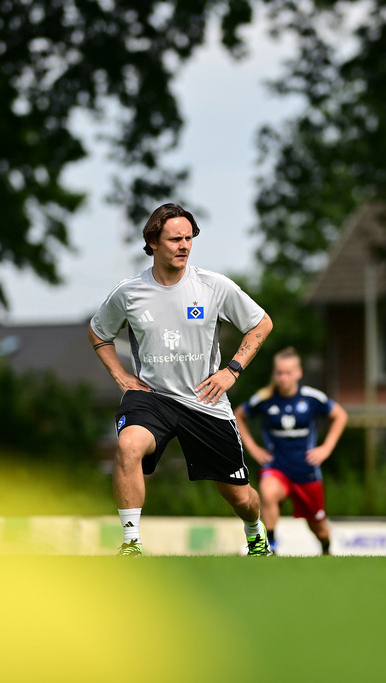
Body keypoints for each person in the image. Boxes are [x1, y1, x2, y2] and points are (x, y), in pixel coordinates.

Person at [89, 202, 274, 557]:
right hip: (152, 398)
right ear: (153, 242)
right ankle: (131, 543)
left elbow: (261, 323)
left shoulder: (213, 286)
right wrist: (120, 375)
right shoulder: (128, 292)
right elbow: (98, 333)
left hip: (204, 400)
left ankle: (255, 531)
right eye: (175, 239)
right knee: (127, 446)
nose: (184, 246)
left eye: (189, 238)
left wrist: (232, 370)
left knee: (239, 496)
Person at [234, 347, 348, 555]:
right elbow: (238, 415)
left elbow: (340, 415)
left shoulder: (311, 398)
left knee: (318, 526)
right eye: (279, 373)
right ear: (274, 373)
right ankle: (270, 545)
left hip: (306, 471)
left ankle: (327, 547)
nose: (283, 377)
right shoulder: (264, 399)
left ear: (298, 373)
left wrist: (326, 448)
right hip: (276, 466)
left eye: (288, 373)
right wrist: (252, 447)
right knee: (267, 493)